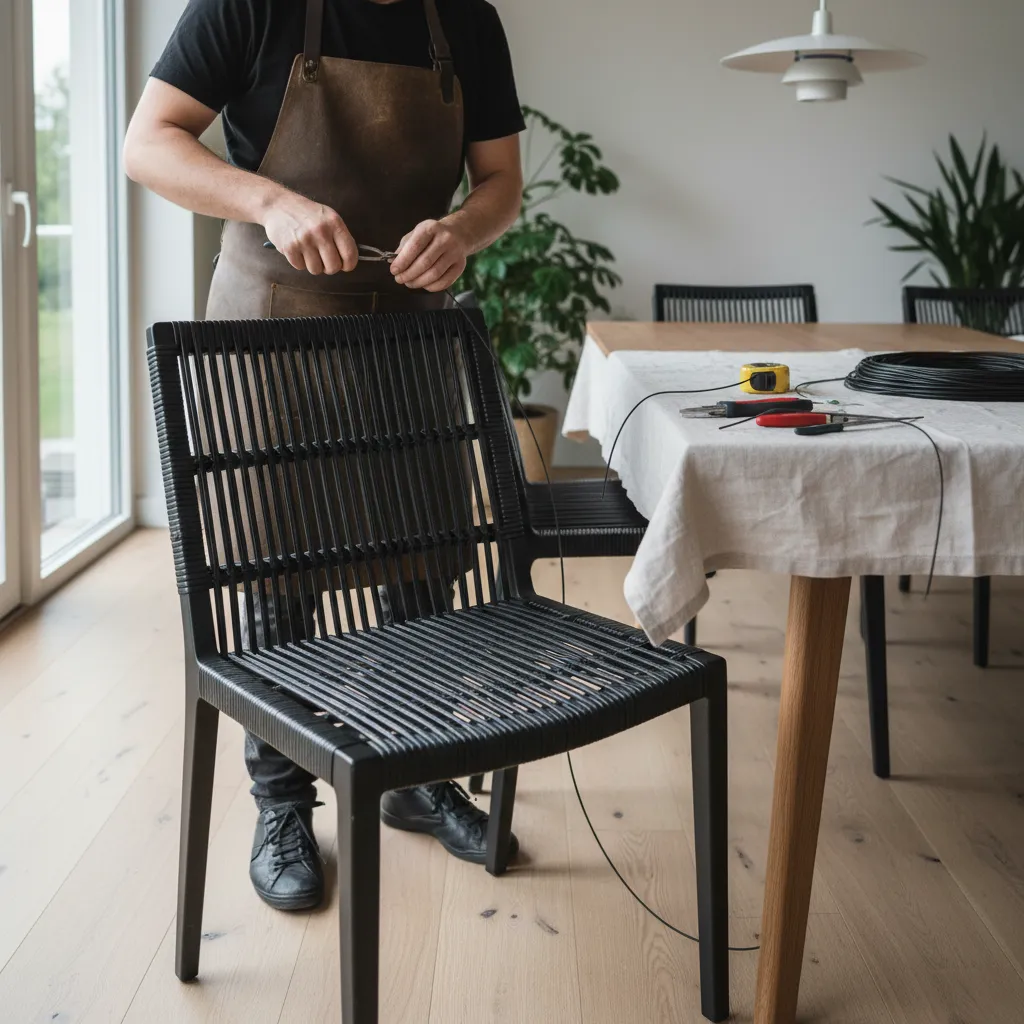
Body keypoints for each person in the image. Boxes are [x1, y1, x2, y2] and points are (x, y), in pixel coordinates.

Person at [124, 0, 525, 912]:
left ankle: (418, 775)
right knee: (277, 573)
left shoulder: (466, 19)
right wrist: (268, 200)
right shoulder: (248, 5)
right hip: (273, 329)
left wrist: (463, 231)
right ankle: (283, 806)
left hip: (410, 334)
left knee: (422, 567)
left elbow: (501, 180)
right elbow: (149, 143)